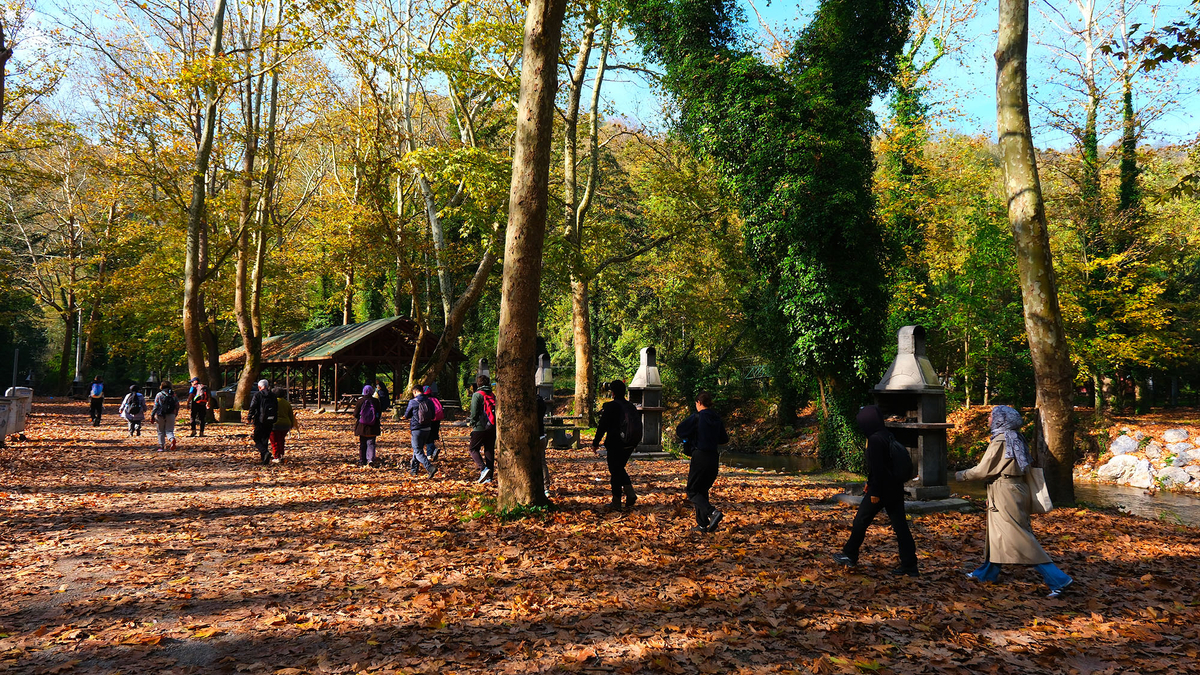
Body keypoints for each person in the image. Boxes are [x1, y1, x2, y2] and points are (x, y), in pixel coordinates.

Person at [956, 405, 1073, 598]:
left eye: (992, 416)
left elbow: (983, 470)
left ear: (1001, 419)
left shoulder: (1001, 440)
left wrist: (960, 476)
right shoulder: (1016, 437)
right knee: (1000, 534)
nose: (989, 420)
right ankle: (986, 573)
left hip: (1006, 492)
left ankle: (1058, 579)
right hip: (1015, 489)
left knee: (1019, 537)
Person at [832, 405, 920, 577]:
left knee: (860, 521)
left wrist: (875, 492)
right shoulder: (886, 434)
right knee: (901, 526)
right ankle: (910, 565)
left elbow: (880, 469)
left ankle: (849, 555)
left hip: (882, 490)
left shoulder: (874, 439)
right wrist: (869, 482)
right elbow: (883, 464)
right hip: (895, 487)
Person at [675, 391, 730, 533]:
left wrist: (692, 436)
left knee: (692, 490)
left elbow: (680, 430)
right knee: (702, 490)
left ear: (699, 402)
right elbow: (724, 439)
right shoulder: (716, 418)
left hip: (700, 456)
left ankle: (712, 513)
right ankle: (702, 525)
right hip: (713, 456)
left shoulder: (697, 417)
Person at [592, 380, 640, 510]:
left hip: (616, 443)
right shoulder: (630, 406)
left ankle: (617, 501)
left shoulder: (611, 407)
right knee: (619, 468)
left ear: (612, 393)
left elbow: (602, 426)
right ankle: (629, 494)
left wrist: (595, 443)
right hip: (630, 443)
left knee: (615, 471)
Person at [402, 384, 437, 478]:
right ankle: (414, 470)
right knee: (418, 449)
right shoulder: (429, 401)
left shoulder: (413, 402)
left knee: (417, 451)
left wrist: (405, 417)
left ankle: (430, 467)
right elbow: (433, 416)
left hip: (416, 429)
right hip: (427, 429)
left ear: (415, 391)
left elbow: (407, 414)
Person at [467, 376, 497, 483]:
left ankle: (483, 469)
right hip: (492, 426)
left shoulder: (477, 395)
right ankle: (489, 478)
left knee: (473, 449)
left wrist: (472, 423)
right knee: (489, 450)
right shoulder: (492, 395)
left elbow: (474, 412)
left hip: (480, 427)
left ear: (478, 384)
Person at [411, 385, 443, 470]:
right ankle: (431, 452)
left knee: (421, 444)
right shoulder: (434, 400)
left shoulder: (420, 401)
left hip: (423, 423)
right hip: (436, 420)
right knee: (432, 437)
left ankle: (429, 455)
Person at [246, 379, 278, 465]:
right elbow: (276, 407)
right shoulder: (273, 395)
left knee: (257, 439)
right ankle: (264, 459)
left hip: (260, 420)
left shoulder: (257, 395)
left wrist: (249, 416)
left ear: (259, 387)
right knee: (265, 439)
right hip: (271, 420)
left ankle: (265, 453)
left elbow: (253, 406)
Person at [353, 384, 383, 468]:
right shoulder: (376, 401)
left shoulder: (360, 401)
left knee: (363, 443)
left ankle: (362, 460)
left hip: (362, 426)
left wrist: (360, 418)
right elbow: (379, 413)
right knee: (371, 443)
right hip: (373, 426)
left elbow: (355, 414)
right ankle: (370, 459)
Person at [270, 387, 297, 463]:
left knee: (274, 441)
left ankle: (276, 456)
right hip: (286, 424)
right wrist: (291, 423)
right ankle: (281, 454)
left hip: (274, 424)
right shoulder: (286, 403)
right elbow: (290, 415)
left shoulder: (272, 402)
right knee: (281, 440)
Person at [150, 381, 179, 452]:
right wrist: (175, 413)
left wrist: (152, 415)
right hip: (171, 414)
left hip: (160, 414)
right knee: (169, 430)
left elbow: (156, 406)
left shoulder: (159, 395)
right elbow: (177, 405)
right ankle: (172, 439)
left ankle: (161, 446)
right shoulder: (173, 394)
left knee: (160, 431)